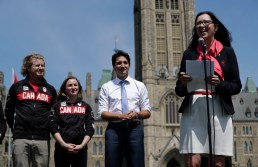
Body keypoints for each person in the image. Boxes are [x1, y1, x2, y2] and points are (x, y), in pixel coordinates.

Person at [175, 11, 242, 167]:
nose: (201, 26)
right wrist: (184, 83)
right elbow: (178, 90)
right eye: (198, 23)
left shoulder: (227, 52)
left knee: (218, 162)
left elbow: (236, 85)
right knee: (192, 162)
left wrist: (219, 83)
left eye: (206, 22)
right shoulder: (189, 53)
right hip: (193, 108)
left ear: (215, 27)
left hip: (219, 107)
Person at [98, 50, 151, 167]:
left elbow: (147, 111)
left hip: (134, 129)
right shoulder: (106, 87)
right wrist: (120, 116)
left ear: (129, 65)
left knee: (136, 164)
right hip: (114, 130)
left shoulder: (140, 86)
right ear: (114, 66)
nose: (122, 66)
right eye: (119, 63)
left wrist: (136, 114)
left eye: (125, 62)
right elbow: (102, 113)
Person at [5, 53, 57, 167]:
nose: (41, 68)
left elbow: (54, 115)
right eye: (37, 65)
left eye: (42, 65)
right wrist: (16, 128)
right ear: (28, 68)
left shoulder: (50, 90)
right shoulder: (16, 87)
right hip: (21, 138)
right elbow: (8, 111)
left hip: (42, 138)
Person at [49, 76, 95, 167]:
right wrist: (63, 144)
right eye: (70, 85)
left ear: (79, 88)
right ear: (65, 89)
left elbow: (91, 128)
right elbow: (52, 126)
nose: (73, 87)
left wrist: (82, 145)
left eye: (75, 85)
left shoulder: (86, 107)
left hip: (80, 150)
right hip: (61, 150)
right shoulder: (57, 107)